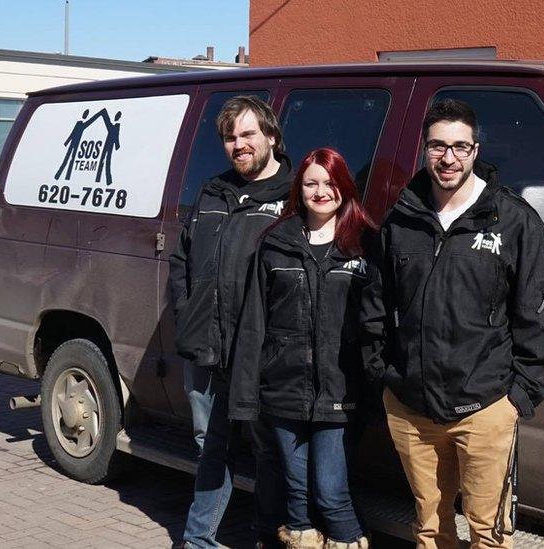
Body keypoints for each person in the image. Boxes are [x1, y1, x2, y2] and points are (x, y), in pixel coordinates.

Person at [364, 98, 544, 549]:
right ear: (424, 149)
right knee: (430, 529)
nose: (448, 158)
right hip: (412, 407)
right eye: (438, 146)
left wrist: (518, 397)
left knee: (488, 535)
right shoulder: (402, 220)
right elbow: (375, 304)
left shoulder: (513, 221)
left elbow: (543, 315)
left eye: (460, 147)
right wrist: (384, 376)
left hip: (486, 408)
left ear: (476, 150)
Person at [230, 148, 375, 549]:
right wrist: (245, 398)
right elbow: (253, 323)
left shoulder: (366, 245)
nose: (321, 191)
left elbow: (381, 321)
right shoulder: (276, 243)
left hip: (340, 392)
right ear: (299, 189)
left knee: (330, 493)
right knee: (296, 498)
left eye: (330, 183)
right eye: (311, 183)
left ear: (344, 186)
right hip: (282, 391)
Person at [168, 95, 293, 549]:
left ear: (272, 138)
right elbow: (182, 261)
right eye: (229, 137)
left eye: (247, 134)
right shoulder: (212, 192)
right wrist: (186, 318)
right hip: (206, 347)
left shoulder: (294, 198)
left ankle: (266, 535)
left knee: (268, 450)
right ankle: (198, 539)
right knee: (209, 446)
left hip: (261, 355)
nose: (238, 144)